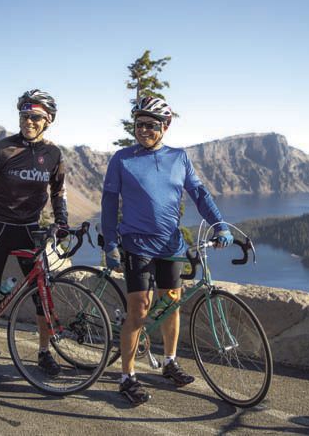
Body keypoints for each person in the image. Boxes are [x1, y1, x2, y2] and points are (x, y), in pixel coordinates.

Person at [101, 96, 234, 405]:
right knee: (139, 311)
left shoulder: (179, 157)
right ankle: (127, 377)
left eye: (150, 125)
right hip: (137, 245)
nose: (143, 130)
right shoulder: (122, 159)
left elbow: (199, 194)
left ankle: (170, 361)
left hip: (170, 244)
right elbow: (109, 203)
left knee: (172, 304)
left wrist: (220, 224)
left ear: (165, 126)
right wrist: (110, 243)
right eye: (139, 125)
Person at [0, 89, 68, 400]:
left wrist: (61, 223)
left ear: (47, 120)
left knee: (41, 295)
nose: (29, 121)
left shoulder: (54, 154)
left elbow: (59, 193)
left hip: (29, 230)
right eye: (25, 115)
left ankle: (43, 352)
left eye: (36, 117)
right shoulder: (2, 148)